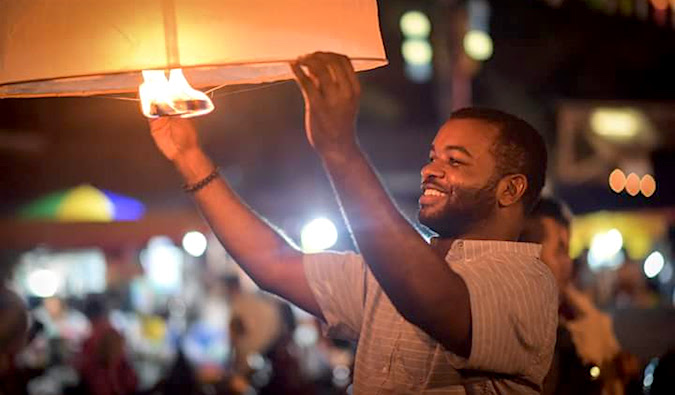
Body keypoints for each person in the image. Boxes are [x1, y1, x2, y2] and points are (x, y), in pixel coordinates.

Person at [147, 52, 557, 393]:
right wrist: (190, 158)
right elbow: (274, 264)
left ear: (510, 190)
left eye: (454, 161)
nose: (430, 169)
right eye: (433, 156)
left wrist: (340, 151)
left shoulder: (526, 284)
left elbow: (431, 299)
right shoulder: (390, 276)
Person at [521, 197, 637, 395]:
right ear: (528, 254)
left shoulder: (575, 317)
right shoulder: (521, 332)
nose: (569, 263)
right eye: (560, 251)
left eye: (568, 251)